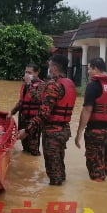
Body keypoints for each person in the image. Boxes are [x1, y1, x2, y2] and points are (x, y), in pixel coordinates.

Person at [18, 54, 77, 186]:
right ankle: (60, 195)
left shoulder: (53, 85)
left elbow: (43, 113)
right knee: (59, 166)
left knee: (53, 171)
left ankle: (54, 198)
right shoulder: (70, 84)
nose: (49, 68)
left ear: (55, 67)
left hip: (53, 133)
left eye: (50, 66)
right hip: (64, 130)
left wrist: (27, 130)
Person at [74, 57, 107, 182]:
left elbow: (87, 110)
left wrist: (79, 133)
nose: (88, 72)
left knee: (96, 172)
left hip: (96, 132)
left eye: (89, 69)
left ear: (96, 68)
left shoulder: (93, 86)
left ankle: (99, 196)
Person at [8, 63, 45, 155]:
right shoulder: (24, 85)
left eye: (30, 72)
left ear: (36, 73)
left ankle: (34, 166)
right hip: (23, 118)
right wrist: (11, 112)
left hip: (34, 120)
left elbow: (37, 99)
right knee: (24, 146)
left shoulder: (42, 85)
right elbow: (21, 102)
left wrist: (30, 85)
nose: (27, 74)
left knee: (33, 148)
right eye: (26, 72)